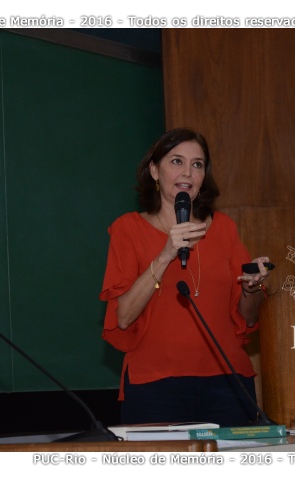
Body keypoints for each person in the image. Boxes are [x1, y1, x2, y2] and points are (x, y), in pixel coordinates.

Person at [100, 128, 272, 426]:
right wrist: (165, 254)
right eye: (177, 161)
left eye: (197, 164)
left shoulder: (224, 229)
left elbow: (248, 317)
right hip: (155, 386)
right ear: (155, 170)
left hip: (227, 383)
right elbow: (123, 317)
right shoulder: (128, 229)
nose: (188, 173)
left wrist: (252, 288)